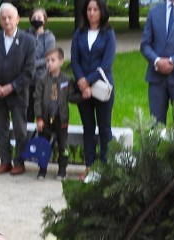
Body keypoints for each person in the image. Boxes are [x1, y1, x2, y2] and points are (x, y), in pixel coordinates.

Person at [0, 3, 36, 176]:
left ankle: (19, 162)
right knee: (1, 129)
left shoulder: (28, 41)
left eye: (10, 17)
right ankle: (5, 161)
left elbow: (29, 71)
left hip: (18, 94)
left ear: (17, 19)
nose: (7, 21)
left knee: (20, 130)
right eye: (3, 18)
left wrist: (11, 87)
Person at [71, 0, 116, 179]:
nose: (91, 13)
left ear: (102, 12)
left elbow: (106, 64)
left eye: (95, 9)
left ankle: (105, 167)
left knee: (104, 128)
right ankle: (89, 165)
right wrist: (82, 82)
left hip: (102, 87)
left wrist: (88, 81)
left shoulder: (109, 34)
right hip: (83, 89)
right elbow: (74, 60)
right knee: (88, 127)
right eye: (89, 9)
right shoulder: (79, 33)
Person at [34, 47, 79, 179]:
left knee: (62, 145)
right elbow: (37, 99)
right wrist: (39, 118)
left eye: (52, 60)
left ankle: (62, 170)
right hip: (46, 118)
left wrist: (84, 95)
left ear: (61, 61)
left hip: (61, 118)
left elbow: (71, 97)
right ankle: (42, 170)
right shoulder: (42, 80)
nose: (49, 63)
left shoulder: (67, 79)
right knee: (43, 144)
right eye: (47, 61)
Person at [27, 8, 56, 123]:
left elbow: (48, 58)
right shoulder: (25, 35)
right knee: (27, 112)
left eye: (39, 17)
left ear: (45, 20)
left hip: (42, 79)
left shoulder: (49, 38)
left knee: (42, 112)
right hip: (27, 80)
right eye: (34, 17)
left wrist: (31, 64)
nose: (36, 20)